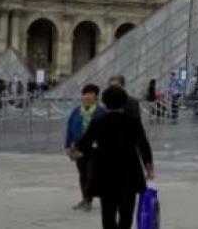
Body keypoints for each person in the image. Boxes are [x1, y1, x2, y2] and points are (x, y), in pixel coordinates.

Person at [75, 86, 154, 229]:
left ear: (104, 102)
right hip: (129, 172)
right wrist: (148, 167)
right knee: (126, 213)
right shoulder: (133, 121)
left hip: (105, 172)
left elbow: (84, 144)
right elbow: (143, 145)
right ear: (124, 102)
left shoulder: (98, 122)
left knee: (108, 213)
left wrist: (89, 151)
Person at [64, 83, 105, 212]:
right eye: (85, 94)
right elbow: (70, 129)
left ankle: (88, 200)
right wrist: (67, 145)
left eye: (90, 94)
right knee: (82, 174)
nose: (87, 96)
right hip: (78, 147)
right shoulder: (76, 112)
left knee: (91, 174)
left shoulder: (101, 112)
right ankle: (85, 198)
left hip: (95, 148)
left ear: (96, 97)